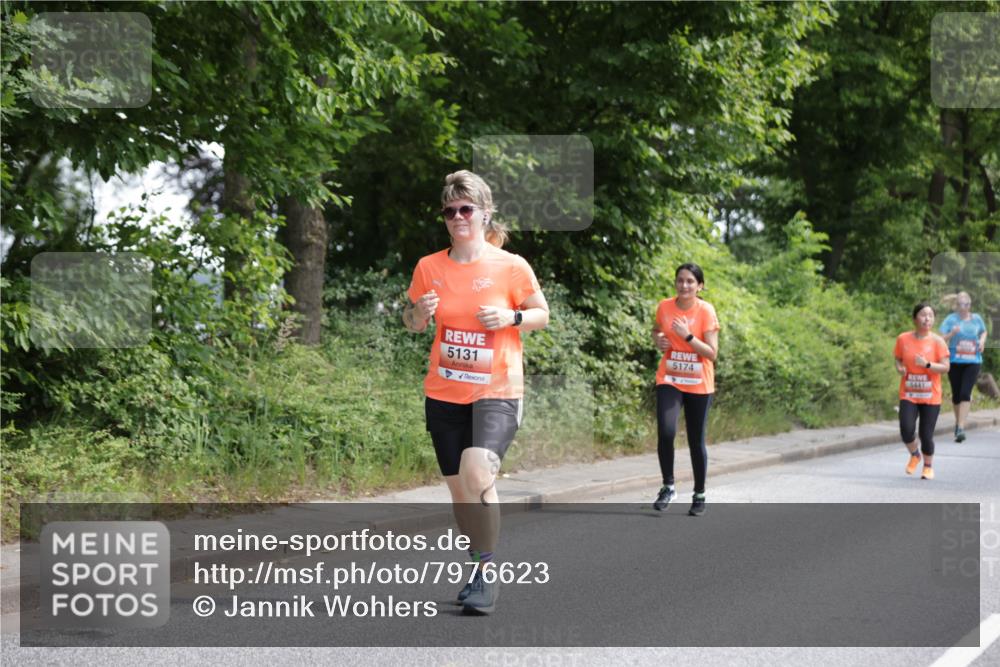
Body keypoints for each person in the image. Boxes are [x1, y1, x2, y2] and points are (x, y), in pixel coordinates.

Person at [402, 170, 549, 615]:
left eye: (466, 208)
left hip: (498, 389)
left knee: (477, 471)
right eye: (450, 211)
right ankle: (476, 565)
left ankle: (487, 573)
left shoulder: (511, 266)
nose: (458, 217)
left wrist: (511, 318)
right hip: (444, 392)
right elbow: (411, 323)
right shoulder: (430, 267)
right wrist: (419, 314)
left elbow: (541, 313)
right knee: (461, 493)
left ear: (485, 213)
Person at [651, 263, 720, 516]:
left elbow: (712, 353)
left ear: (699, 286)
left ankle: (699, 493)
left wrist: (688, 336)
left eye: (691, 281)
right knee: (666, 430)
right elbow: (657, 329)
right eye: (680, 280)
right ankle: (668, 486)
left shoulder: (706, 310)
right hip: (669, 377)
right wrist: (657, 338)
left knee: (695, 439)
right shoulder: (664, 306)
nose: (684, 285)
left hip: (699, 383)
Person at [894, 304, 950, 480]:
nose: (927, 318)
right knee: (906, 429)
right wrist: (900, 368)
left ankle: (927, 466)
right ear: (915, 318)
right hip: (909, 393)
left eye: (931, 315)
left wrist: (927, 364)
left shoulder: (938, 342)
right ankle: (915, 455)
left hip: (930, 395)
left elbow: (946, 367)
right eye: (923, 315)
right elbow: (897, 359)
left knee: (926, 435)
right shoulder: (903, 339)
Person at [939, 292, 988, 442]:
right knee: (956, 395)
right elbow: (940, 339)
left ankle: (961, 427)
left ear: (969, 305)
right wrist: (951, 333)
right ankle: (958, 422)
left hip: (973, 361)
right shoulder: (950, 319)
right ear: (956, 305)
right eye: (960, 304)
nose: (963, 307)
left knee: (965, 393)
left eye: (966, 304)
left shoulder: (976, 319)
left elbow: (984, 331)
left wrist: (982, 341)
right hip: (954, 361)